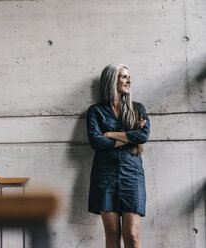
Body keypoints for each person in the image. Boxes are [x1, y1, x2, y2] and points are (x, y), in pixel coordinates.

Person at [86, 64, 150, 248]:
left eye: (129, 76)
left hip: (132, 175)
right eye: (124, 77)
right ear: (111, 80)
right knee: (112, 236)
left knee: (132, 236)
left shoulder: (137, 108)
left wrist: (111, 134)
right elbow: (96, 142)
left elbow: (143, 136)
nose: (129, 80)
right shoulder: (95, 111)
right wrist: (130, 137)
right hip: (105, 176)